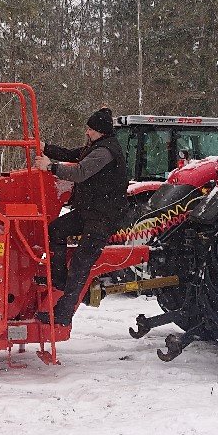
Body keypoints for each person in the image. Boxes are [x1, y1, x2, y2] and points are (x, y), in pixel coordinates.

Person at [33, 106, 129, 325]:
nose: (87, 132)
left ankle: (63, 314)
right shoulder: (96, 146)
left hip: (103, 217)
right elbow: (71, 155)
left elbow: (79, 172)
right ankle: (59, 281)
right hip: (89, 211)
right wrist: (46, 147)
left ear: (100, 131)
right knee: (55, 230)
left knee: (80, 264)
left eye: (90, 129)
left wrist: (51, 167)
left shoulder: (105, 152)